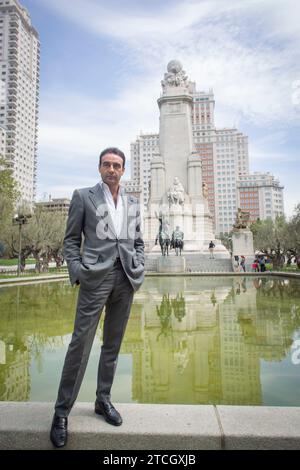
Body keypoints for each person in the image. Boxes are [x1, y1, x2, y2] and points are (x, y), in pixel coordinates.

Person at [50, 148, 145, 448]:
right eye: (107, 164)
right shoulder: (83, 196)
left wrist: (138, 267)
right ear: (99, 167)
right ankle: (61, 412)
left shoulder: (132, 202)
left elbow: (138, 241)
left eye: (117, 165)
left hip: (125, 279)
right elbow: (70, 240)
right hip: (94, 278)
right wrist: (77, 270)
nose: (112, 169)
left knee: (113, 346)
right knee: (80, 345)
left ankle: (102, 400)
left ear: (123, 169)